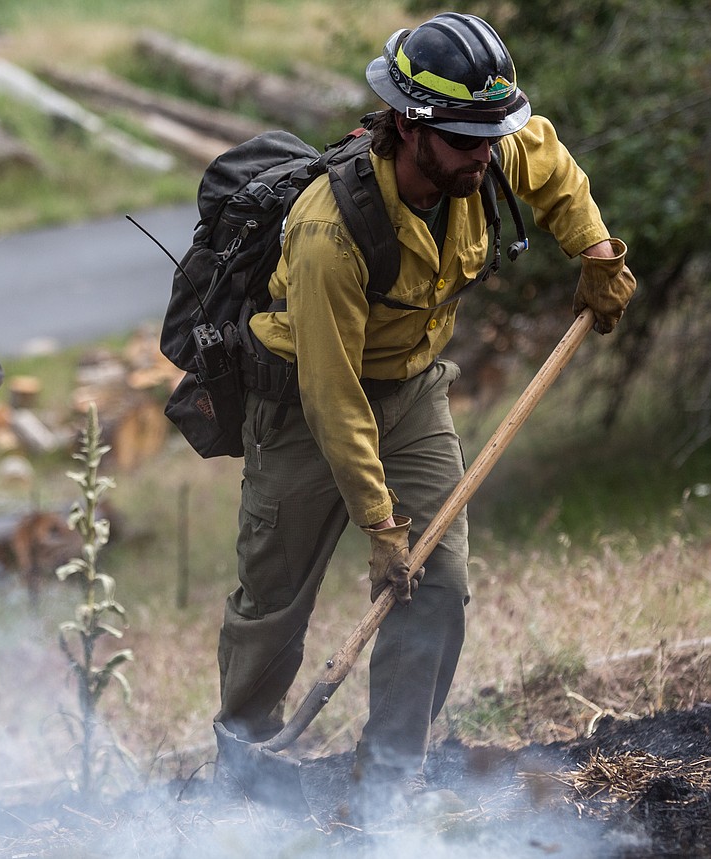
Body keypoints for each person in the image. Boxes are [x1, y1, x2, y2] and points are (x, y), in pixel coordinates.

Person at [214, 11, 636, 814]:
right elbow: (333, 398)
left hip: (410, 388)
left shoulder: (485, 146)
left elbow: (545, 160)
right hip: (305, 405)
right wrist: (381, 528)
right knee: (274, 603)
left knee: (437, 581)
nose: (487, 153)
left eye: (490, 135)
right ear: (411, 127)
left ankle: (391, 775)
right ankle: (242, 764)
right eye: (468, 140)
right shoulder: (329, 231)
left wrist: (596, 252)